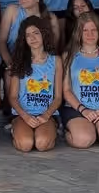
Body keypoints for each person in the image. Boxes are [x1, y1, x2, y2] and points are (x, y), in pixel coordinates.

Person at [61, 11, 99, 149]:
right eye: (85, 30)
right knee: (83, 140)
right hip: (77, 109)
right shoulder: (68, 57)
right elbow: (66, 91)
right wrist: (83, 110)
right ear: (79, 33)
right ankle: (74, 131)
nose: (90, 34)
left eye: (93, 30)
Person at [9, 15, 62, 152]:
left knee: (42, 144)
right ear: (24, 39)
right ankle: (15, 129)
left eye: (36, 33)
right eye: (28, 35)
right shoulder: (19, 60)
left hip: (46, 114)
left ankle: (52, 130)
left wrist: (46, 115)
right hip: (23, 114)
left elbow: (58, 97)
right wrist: (25, 116)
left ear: (44, 33)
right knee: (25, 145)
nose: (32, 38)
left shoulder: (56, 61)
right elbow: (13, 97)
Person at [0, 0, 59, 70]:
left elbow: (54, 48)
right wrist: (10, 64)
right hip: (14, 63)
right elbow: (1, 41)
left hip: (41, 66)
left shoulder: (51, 18)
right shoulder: (12, 11)